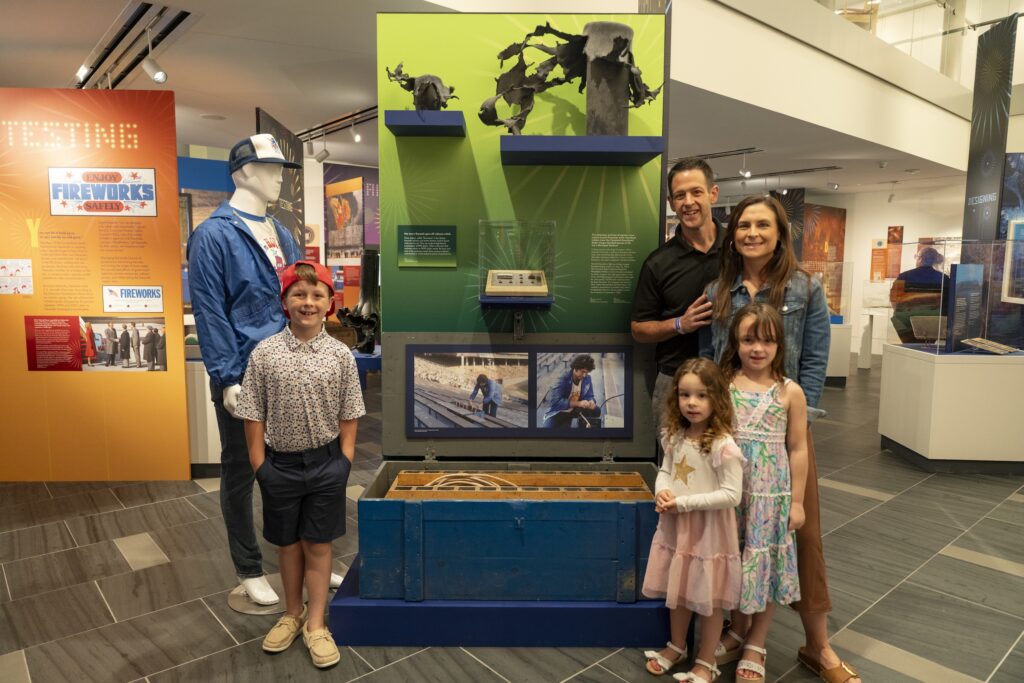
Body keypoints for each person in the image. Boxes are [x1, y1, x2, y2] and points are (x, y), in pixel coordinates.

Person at [700, 195, 860, 683]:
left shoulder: (806, 289)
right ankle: (739, 630)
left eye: (763, 224)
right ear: (733, 234)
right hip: (733, 434)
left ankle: (819, 644)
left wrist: (795, 421)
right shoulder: (719, 289)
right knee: (735, 534)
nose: (752, 232)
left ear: (780, 233)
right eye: (744, 224)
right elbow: (713, 359)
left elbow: (813, 361)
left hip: (781, 434)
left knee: (800, 537)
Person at [188, 134, 312, 605]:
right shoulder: (214, 235)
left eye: (280, 169)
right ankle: (248, 567)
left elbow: (295, 298)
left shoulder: (280, 233)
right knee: (241, 472)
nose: (279, 176)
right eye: (270, 168)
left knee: (297, 470)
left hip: (289, 369)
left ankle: (304, 557)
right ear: (243, 172)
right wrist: (226, 378)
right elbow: (210, 311)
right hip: (244, 374)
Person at [236, 261, 365, 669]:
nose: (307, 303)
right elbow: (253, 412)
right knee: (287, 543)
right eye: (299, 294)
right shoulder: (265, 353)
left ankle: (315, 624)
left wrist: (345, 460)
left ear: (329, 303)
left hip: (327, 465)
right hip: (280, 466)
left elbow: (350, 412)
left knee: (319, 543)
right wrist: (260, 466)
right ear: (285, 301)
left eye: (316, 296)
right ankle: (291, 614)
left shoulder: (341, 355)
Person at [720, 303, 807, 683]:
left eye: (767, 341)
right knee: (736, 560)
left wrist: (799, 501)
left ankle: (757, 640)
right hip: (731, 493)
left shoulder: (790, 392)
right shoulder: (723, 385)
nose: (758, 348)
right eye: (749, 339)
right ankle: (737, 629)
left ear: (779, 344)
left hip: (771, 497)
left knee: (764, 563)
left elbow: (798, 448)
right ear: (735, 342)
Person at [640, 357, 742, 682]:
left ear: (717, 398)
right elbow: (667, 471)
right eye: (685, 395)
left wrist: (683, 504)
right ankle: (676, 645)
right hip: (677, 528)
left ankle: (707, 660)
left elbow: (731, 494)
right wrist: (662, 491)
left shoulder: (723, 445)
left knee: (709, 600)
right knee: (679, 588)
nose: (692, 403)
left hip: (709, 532)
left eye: (701, 395)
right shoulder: (674, 435)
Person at [632, 158, 723, 436]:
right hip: (674, 381)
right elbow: (639, 329)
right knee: (675, 467)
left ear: (713, 194)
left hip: (729, 379)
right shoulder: (658, 263)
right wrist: (680, 324)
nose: (688, 202)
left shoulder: (738, 251)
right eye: (680, 195)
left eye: (696, 192)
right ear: (671, 202)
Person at [889, 246, 951, 343]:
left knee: (912, 349)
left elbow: (894, 299)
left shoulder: (905, 276)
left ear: (920, 258)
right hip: (933, 325)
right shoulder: (944, 278)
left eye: (916, 256)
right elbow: (947, 304)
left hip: (907, 325)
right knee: (926, 349)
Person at [542, 354, 601, 428]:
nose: (585, 375)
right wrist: (578, 403)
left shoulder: (587, 378)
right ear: (575, 368)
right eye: (583, 372)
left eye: (587, 372)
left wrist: (591, 401)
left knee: (597, 411)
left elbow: (589, 395)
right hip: (559, 411)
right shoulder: (562, 380)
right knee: (546, 428)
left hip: (576, 410)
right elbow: (555, 402)